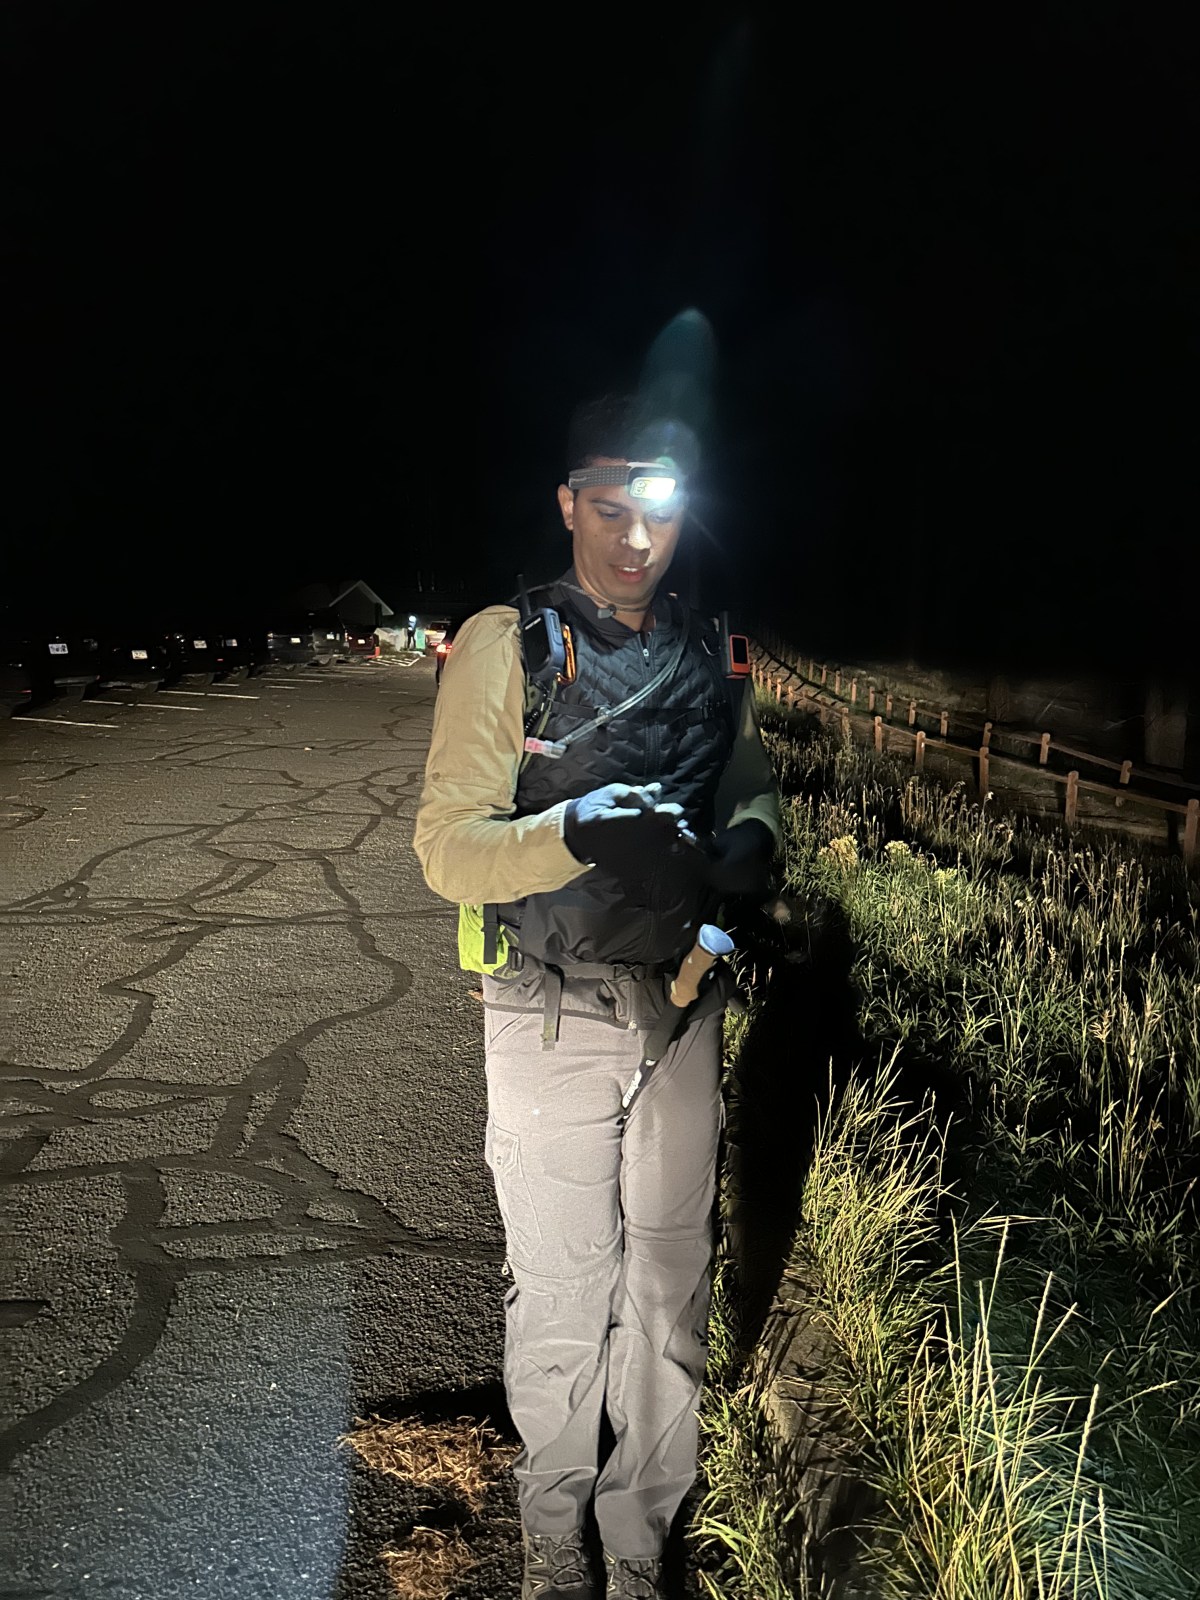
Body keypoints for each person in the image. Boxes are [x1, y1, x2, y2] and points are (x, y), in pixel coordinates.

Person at [414, 394, 781, 1600]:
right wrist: (575, 827)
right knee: (567, 1291)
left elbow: (752, 785)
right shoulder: (502, 645)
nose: (633, 540)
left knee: (668, 1295)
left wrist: (749, 853)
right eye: (608, 510)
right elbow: (449, 850)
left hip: (682, 1009)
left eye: (657, 515)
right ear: (569, 503)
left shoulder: (715, 643)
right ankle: (548, 1538)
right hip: (546, 1007)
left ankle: (636, 1547)